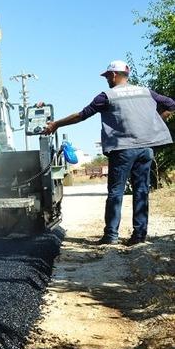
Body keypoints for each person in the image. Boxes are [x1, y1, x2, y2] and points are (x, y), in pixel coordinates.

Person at [42, 60, 174, 246]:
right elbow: (170, 104)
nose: (106, 80)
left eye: (107, 76)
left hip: (123, 149)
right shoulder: (146, 92)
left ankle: (111, 235)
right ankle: (139, 235)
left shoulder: (107, 96)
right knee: (142, 190)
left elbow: (82, 115)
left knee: (115, 192)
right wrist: (156, 122)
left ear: (113, 75)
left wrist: (56, 124)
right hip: (146, 148)